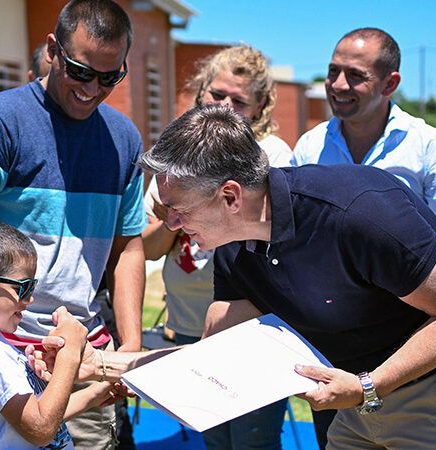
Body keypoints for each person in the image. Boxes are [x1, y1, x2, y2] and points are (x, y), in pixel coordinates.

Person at [33, 104, 436, 449]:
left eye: (177, 210)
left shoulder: (359, 211)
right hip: (356, 399)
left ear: (230, 196)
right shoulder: (233, 245)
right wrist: (97, 365)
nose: (170, 226)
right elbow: (207, 358)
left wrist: (369, 385)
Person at [0, 1, 146, 448]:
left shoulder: (124, 139)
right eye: (81, 72)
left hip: (81, 360)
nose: (92, 89)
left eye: (109, 77)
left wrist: (131, 350)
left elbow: (128, 250)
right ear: (53, 49)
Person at [142, 44, 292, 449]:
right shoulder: (178, 153)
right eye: (217, 94)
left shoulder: (271, 156)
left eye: (239, 100)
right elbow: (149, 248)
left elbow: (268, 240)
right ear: (200, 92)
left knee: (251, 442)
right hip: (188, 328)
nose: (225, 105)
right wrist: (173, 216)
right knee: (215, 441)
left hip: (248, 333)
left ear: (260, 108)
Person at [292, 28, 436, 269]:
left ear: (390, 84)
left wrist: (409, 298)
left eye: (355, 75)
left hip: (407, 303)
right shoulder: (310, 146)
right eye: (333, 71)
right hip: (326, 301)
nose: (338, 85)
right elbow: (292, 234)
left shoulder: (433, 148)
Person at [0, 220, 123, 449]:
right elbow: (40, 430)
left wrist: (96, 394)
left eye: (33, 287)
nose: (29, 300)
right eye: (23, 288)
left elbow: (36, 415)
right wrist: (70, 354)